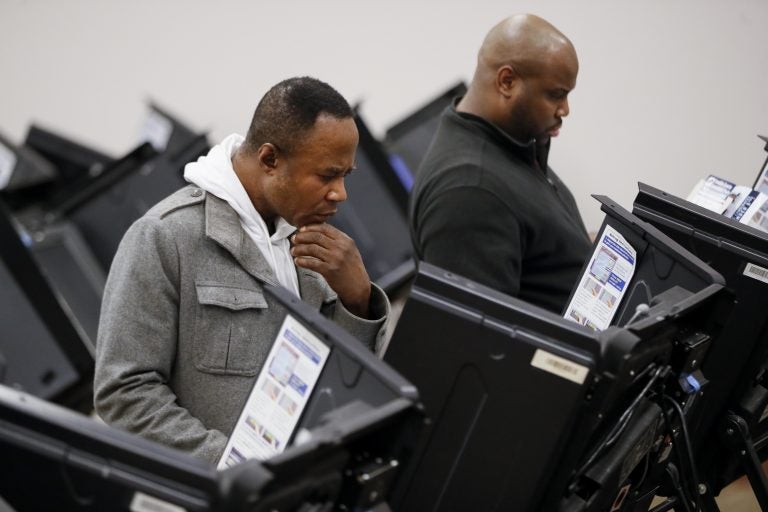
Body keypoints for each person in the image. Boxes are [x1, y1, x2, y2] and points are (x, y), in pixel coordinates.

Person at [94, 76, 390, 463]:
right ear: (270, 159)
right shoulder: (166, 236)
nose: (340, 193)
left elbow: (343, 383)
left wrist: (358, 301)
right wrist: (230, 466)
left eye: (345, 176)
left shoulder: (313, 238)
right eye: (326, 175)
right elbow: (123, 393)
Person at [409, 14, 592, 314]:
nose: (565, 109)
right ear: (507, 81)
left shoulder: (510, 145)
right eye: (556, 94)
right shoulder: (469, 190)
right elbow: (482, 348)